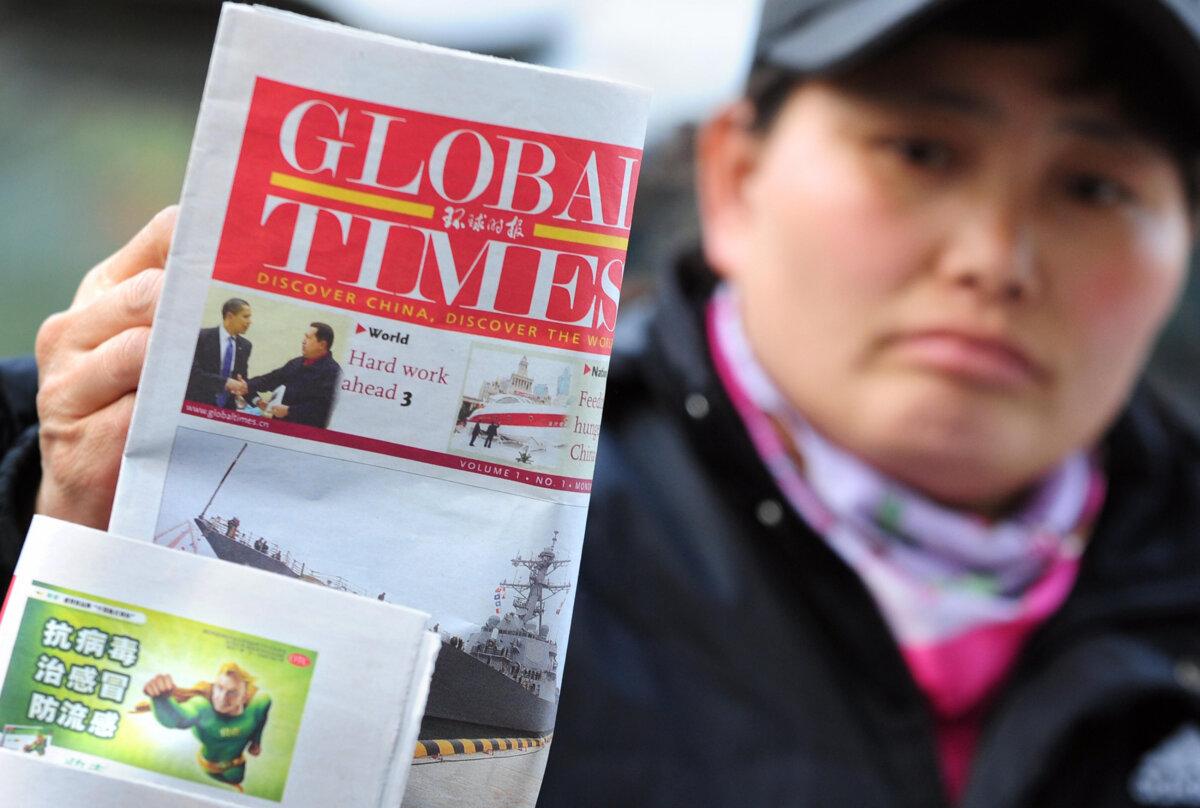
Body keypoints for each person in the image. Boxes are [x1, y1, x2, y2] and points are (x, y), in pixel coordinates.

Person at [0, 1, 1199, 805]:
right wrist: (107, 565)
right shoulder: (461, 531)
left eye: (1095, 183)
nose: (997, 256)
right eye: (924, 152)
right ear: (734, 176)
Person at [137, 662, 271, 793]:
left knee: (238, 780)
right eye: (219, 687)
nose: (221, 698)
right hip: (209, 767)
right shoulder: (203, 708)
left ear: (244, 697)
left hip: (238, 764)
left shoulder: (261, 703)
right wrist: (161, 699)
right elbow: (179, 719)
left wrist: (256, 742)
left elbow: (260, 721)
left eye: (232, 693)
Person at [245, 322, 341, 428]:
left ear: (322, 344)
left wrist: (289, 411)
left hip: (305, 434)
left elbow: (323, 409)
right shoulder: (296, 363)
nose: (303, 341)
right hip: (278, 427)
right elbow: (270, 379)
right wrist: (246, 386)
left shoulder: (334, 373)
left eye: (308, 338)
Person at [185, 298, 252, 408]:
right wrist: (225, 382)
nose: (250, 321)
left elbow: (242, 377)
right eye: (245, 316)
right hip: (197, 404)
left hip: (226, 409)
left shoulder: (245, 346)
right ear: (230, 316)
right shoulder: (202, 337)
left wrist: (246, 389)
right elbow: (192, 373)